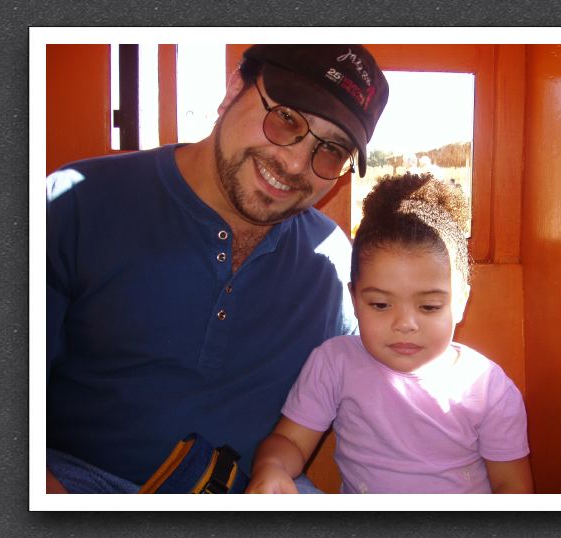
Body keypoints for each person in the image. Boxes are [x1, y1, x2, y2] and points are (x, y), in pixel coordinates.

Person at [46, 44, 389, 493]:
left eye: (330, 150)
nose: (293, 163)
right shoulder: (72, 205)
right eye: (286, 117)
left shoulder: (332, 266)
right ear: (233, 91)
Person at [246, 173, 533, 494]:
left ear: (462, 300)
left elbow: (512, 488)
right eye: (381, 304)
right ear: (355, 299)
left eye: (429, 307)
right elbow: (289, 442)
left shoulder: (487, 387)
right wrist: (272, 467)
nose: (405, 324)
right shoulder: (335, 362)